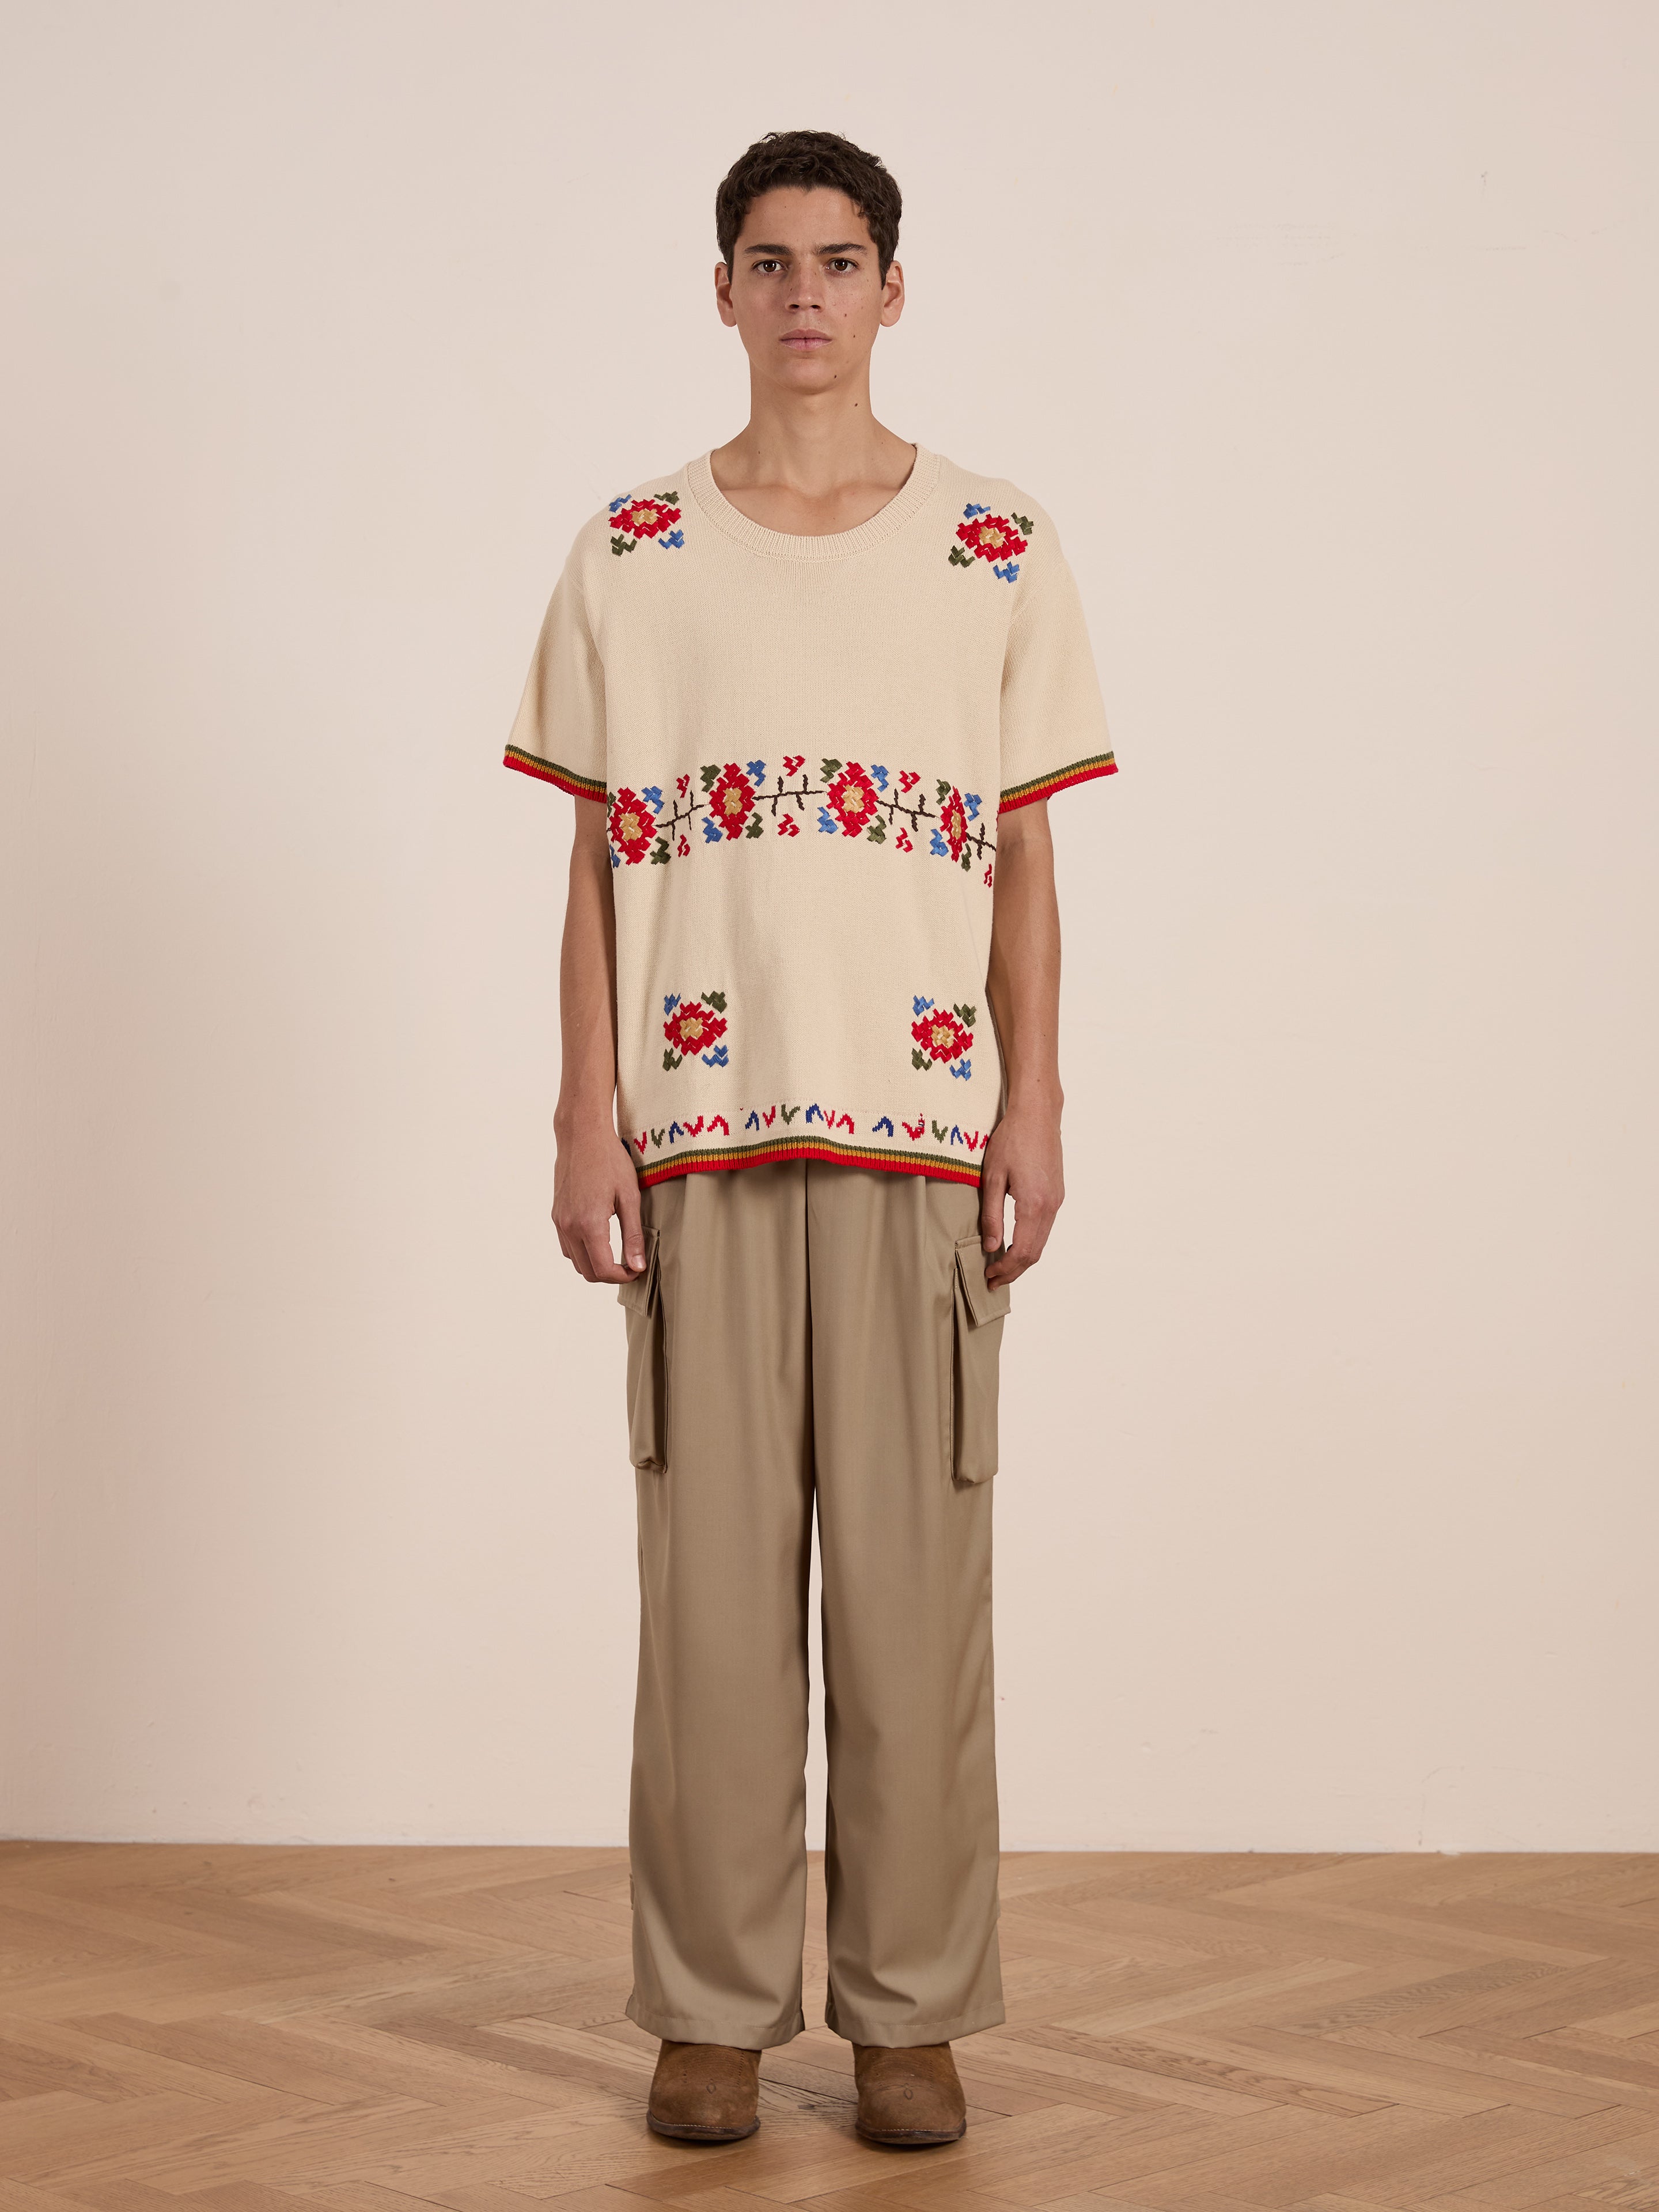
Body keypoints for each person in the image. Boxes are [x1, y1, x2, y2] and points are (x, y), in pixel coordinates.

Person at [503, 128, 1115, 2151]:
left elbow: (1025, 854)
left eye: (839, 259)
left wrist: (1035, 1095)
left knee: (918, 1598)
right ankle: (705, 2009)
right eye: (768, 260)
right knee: (707, 1600)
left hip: (924, 1140)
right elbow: (594, 854)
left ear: (892, 287)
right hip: (693, 1140)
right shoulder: (632, 553)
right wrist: (588, 1107)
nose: (804, 295)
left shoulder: (1000, 549)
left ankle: (911, 2014)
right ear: (724, 289)